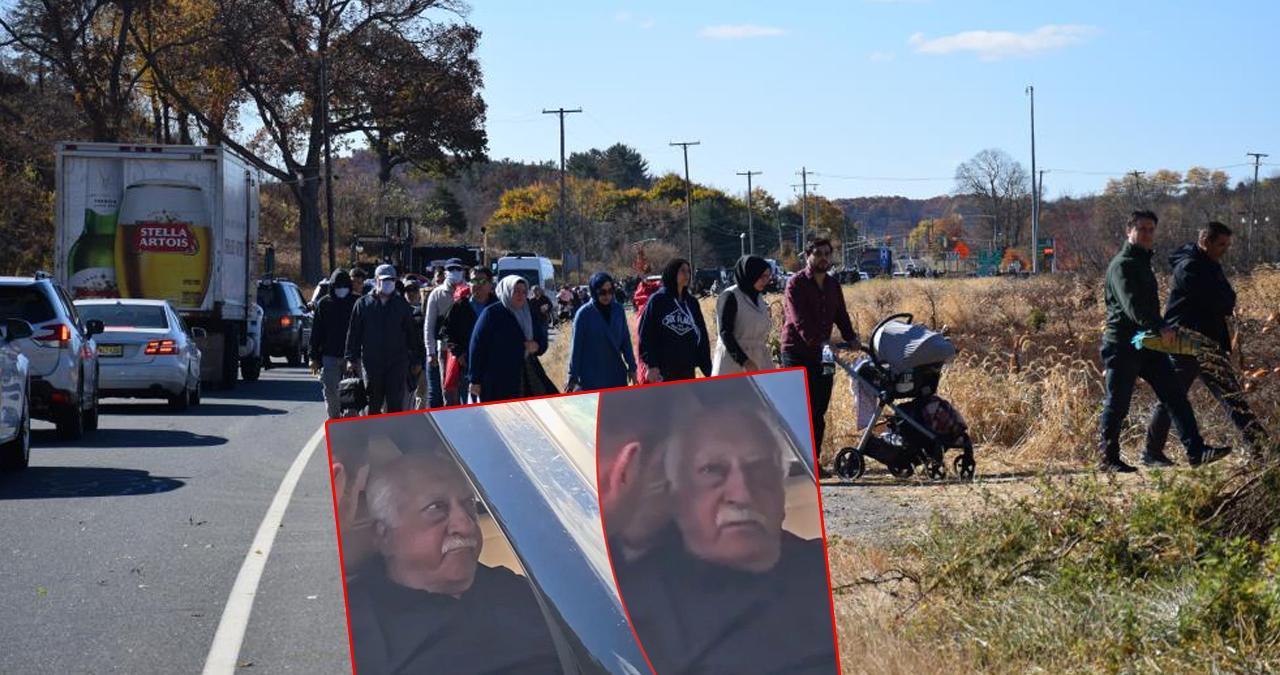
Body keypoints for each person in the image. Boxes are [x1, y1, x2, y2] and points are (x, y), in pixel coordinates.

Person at [616, 399, 838, 674]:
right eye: (713, 471)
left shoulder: (830, 570)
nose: (741, 493)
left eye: (758, 468)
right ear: (677, 496)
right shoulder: (636, 612)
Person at [346, 453, 560, 674]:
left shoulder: (520, 590)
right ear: (384, 536)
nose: (466, 525)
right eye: (436, 508)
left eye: (469, 504)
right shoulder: (355, 624)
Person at [1098, 211, 1231, 472]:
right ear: (1129, 231)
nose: (1147, 233)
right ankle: (1108, 458)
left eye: (1151, 229)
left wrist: (1157, 330)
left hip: (1147, 343)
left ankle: (1196, 451)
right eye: (1141, 228)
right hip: (1123, 344)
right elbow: (1132, 306)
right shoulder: (1123, 264)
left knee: (1175, 396)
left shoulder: (1142, 262)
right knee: (1118, 402)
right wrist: (1160, 325)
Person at [1145, 221, 1269, 462]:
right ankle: (1152, 452)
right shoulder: (1189, 267)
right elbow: (1216, 302)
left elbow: (1227, 298)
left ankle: (1261, 447)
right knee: (1176, 397)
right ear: (1205, 242)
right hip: (1187, 343)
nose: (1225, 249)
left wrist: (1224, 299)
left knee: (1229, 396)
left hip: (1207, 342)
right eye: (1221, 244)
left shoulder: (1210, 265)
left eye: (1227, 244)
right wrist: (1223, 299)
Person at [781, 238, 858, 476]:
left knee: (818, 410)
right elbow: (799, 321)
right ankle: (795, 463)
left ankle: (812, 462)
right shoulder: (796, 284)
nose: (824, 258)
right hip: (797, 352)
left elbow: (841, 315)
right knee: (801, 409)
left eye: (827, 253)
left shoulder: (833, 285)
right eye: (819, 253)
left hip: (823, 355)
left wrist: (852, 338)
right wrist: (822, 342)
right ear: (808, 256)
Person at [345, 264, 423, 415]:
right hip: (372, 363)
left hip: (397, 363)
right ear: (376, 281)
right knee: (373, 403)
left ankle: (394, 437)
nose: (388, 283)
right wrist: (351, 359)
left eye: (391, 280)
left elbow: (412, 335)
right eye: (384, 280)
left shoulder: (402, 305)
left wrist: (417, 360)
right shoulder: (363, 304)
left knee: (395, 404)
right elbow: (353, 334)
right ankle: (373, 436)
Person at [468, 276, 553, 403]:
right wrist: (475, 380)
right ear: (507, 291)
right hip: (498, 378)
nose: (521, 295)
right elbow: (477, 347)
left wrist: (537, 346)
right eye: (516, 291)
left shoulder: (528, 312)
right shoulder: (492, 314)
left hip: (526, 374)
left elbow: (542, 339)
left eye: (524, 292)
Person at [637, 258, 711, 383]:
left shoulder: (691, 302)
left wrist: (708, 368)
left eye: (688, 271)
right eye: (682, 271)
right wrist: (651, 365)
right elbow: (645, 334)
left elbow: (701, 335)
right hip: (663, 369)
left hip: (687, 367)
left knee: (685, 402)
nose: (687, 275)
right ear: (672, 273)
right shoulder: (658, 300)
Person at [566, 272, 638, 392]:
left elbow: (626, 341)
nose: (607, 296)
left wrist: (632, 367)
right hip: (592, 378)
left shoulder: (618, 310)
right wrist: (572, 376)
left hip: (616, 376)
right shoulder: (583, 314)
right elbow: (576, 347)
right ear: (594, 292)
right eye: (602, 292)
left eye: (610, 291)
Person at [712, 255, 775, 376]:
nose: (766, 280)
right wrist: (744, 361)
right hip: (732, 362)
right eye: (762, 276)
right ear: (751, 274)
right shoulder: (730, 296)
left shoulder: (759, 298)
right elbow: (725, 332)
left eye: (768, 276)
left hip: (758, 361)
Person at [443, 268, 497, 405]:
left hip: (492, 367)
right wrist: (458, 353)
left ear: (490, 284)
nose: (477, 284)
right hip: (468, 367)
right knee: (470, 409)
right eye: (474, 280)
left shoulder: (498, 307)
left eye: (482, 281)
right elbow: (446, 333)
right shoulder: (459, 307)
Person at [310, 269, 358, 419]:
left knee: (352, 395)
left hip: (352, 357)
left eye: (344, 285)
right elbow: (316, 332)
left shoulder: (357, 302)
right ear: (332, 285)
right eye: (338, 285)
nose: (341, 288)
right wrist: (313, 357)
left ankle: (350, 426)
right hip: (329, 356)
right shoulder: (324, 304)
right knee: (331, 393)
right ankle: (335, 421)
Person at [425, 259, 466, 408]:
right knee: (448, 392)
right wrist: (430, 352)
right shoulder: (437, 294)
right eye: (451, 269)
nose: (455, 272)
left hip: (465, 350)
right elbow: (429, 326)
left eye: (458, 269)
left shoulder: (468, 292)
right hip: (444, 349)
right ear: (446, 272)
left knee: (467, 393)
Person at [403, 280, 427, 410]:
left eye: (414, 290)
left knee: (421, 396)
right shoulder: (398, 311)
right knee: (406, 397)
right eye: (408, 291)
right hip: (404, 362)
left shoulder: (425, 311)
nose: (411, 294)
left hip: (422, 361)